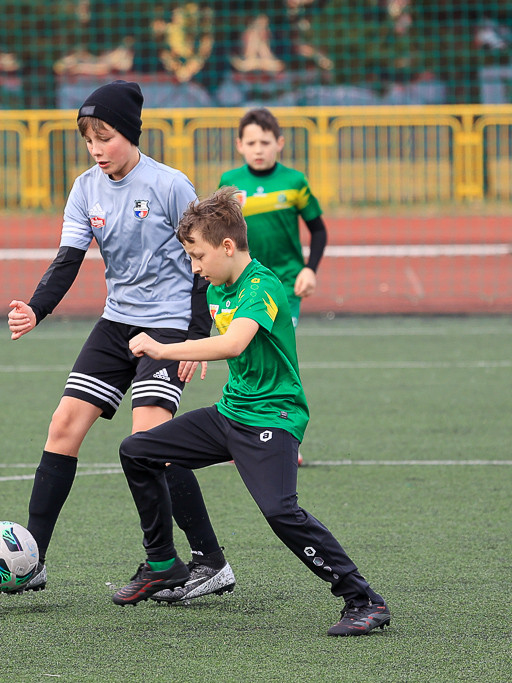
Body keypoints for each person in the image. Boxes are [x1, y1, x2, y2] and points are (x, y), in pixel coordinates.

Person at [114, 186, 390, 637]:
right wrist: (198, 351)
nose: (194, 267)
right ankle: (165, 562)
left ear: (227, 247)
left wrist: (166, 349)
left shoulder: (264, 284)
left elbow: (236, 341)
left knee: (281, 512)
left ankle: (364, 600)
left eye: (198, 256)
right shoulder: (216, 287)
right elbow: (221, 335)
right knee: (138, 450)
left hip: (272, 417)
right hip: (231, 413)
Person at [6, 80, 235, 604]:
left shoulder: (171, 185)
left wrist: (196, 339)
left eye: (103, 137)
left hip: (169, 326)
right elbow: (67, 261)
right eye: (88, 139)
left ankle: (202, 561)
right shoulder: (85, 187)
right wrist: (35, 310)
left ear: (129, 133)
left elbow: (203, 265)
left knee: (150, 439)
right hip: (116, 325)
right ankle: (30, 559)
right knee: (63, 426)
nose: (95, 149)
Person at [220, 107, 327, 466]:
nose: (258, 148)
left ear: (279, 143)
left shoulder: (295, 181)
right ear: (239, 145)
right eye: (251, 142)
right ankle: (244, 435)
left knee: (278, 362)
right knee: (243, 358)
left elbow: (319, 230)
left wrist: (309, 269)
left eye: (265, 142)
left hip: (282, 288)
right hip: (242, 288)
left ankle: (285, 440)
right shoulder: (230, 184)